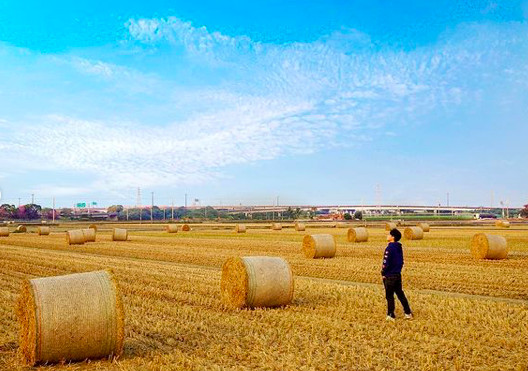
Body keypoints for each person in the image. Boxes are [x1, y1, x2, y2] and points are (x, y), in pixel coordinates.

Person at [381, 228, 413, 321]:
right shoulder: (399, 247)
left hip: (389, 275)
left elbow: (386, 262)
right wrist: (397, 270)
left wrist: (383, 272)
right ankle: (408, 313)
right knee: (400, 294)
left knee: (389, 295)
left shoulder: (389, 248)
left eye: (389, 234)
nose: (387, 236)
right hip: (397, 274)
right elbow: (401, 261)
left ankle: (391, 314)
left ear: (392, 237)